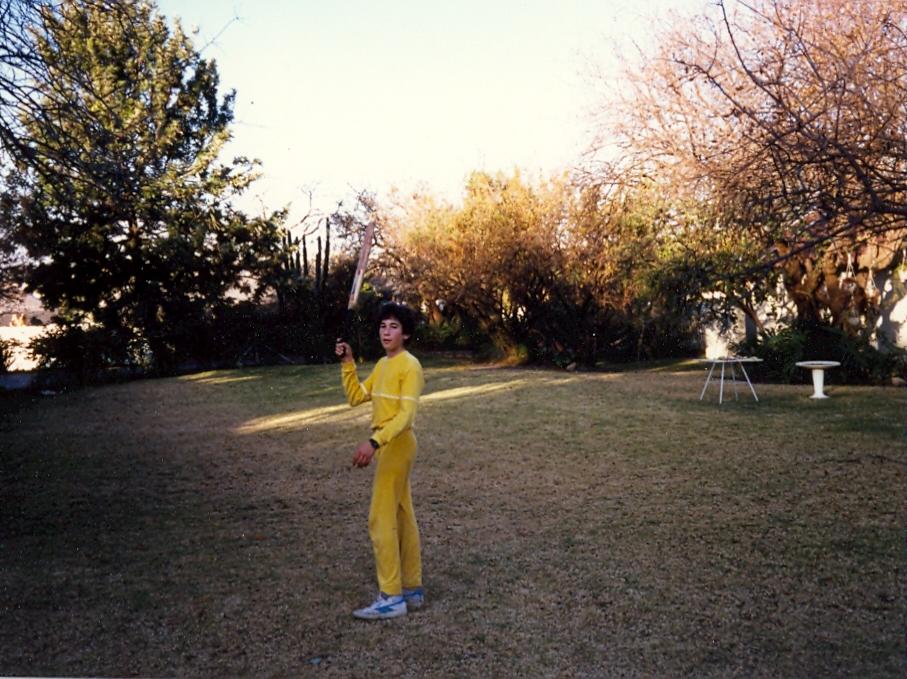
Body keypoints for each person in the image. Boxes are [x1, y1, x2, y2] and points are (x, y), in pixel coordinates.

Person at [335, 302, 425, 620]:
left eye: (394, 326)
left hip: (397, 444)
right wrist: (348, 363)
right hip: (388, 445)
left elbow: (406, 415)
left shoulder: (410, 365)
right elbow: (357, 396)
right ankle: (412, 589)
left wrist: (375, 442)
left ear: (406, 333)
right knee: (401, 515)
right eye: (383, 326)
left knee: (379, 517)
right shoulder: (382, 365)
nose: (387, 332)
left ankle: (391, 596)